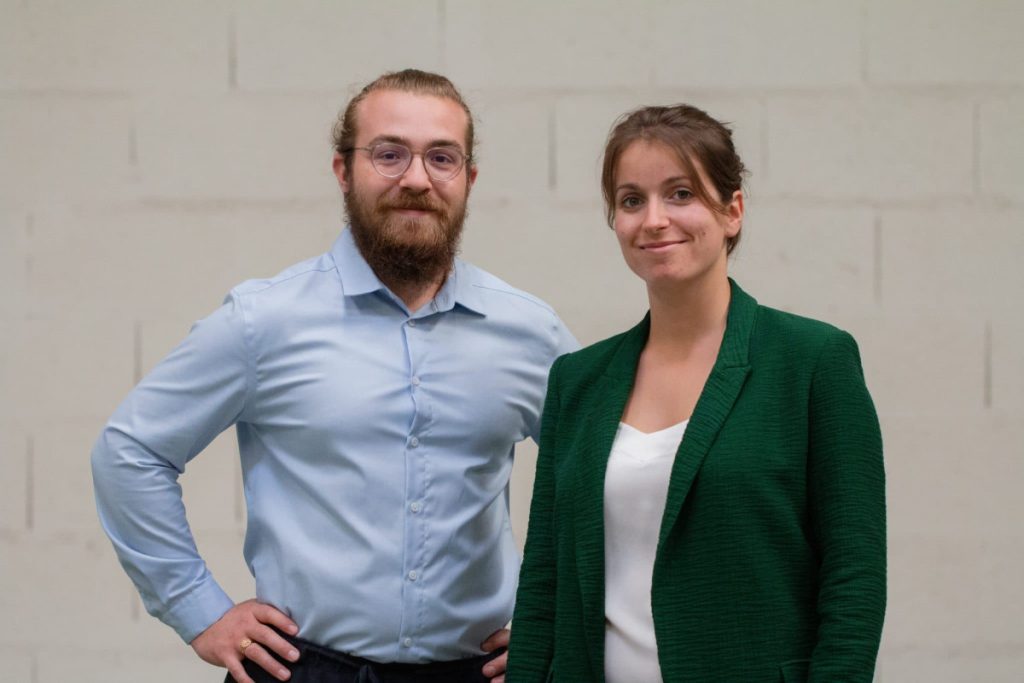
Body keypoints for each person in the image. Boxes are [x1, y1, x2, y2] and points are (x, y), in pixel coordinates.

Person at [91, 69, 577, 683]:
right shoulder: (262, 320)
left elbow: (607, 478)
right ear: (343, 172)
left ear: (468, 180)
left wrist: (559, 620)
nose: (416, 178)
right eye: (389, 154)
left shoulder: (528, 330)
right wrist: (199, 609)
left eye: (441, 158)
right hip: (304, 669)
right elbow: (129, 450)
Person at [506, 104, 885, 682]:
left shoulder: (813, 362)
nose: (654, 219)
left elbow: (853, 576)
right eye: (632, 200)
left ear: (732, 211)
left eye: (680, 194)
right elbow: (544, 582)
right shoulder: (577, 381)